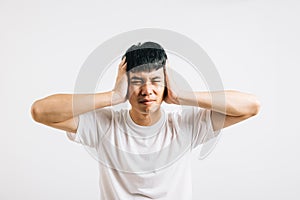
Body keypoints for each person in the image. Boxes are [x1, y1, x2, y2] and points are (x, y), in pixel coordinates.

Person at [31, 41, 260, 199]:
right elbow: (40, 111)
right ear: (125, 84)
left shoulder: (184, 126)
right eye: (137, 81)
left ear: (166, 84)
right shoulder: (104, 126)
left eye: (155, 81)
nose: (147, 90)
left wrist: (182, 96)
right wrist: (111, 97)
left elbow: (251, 106)